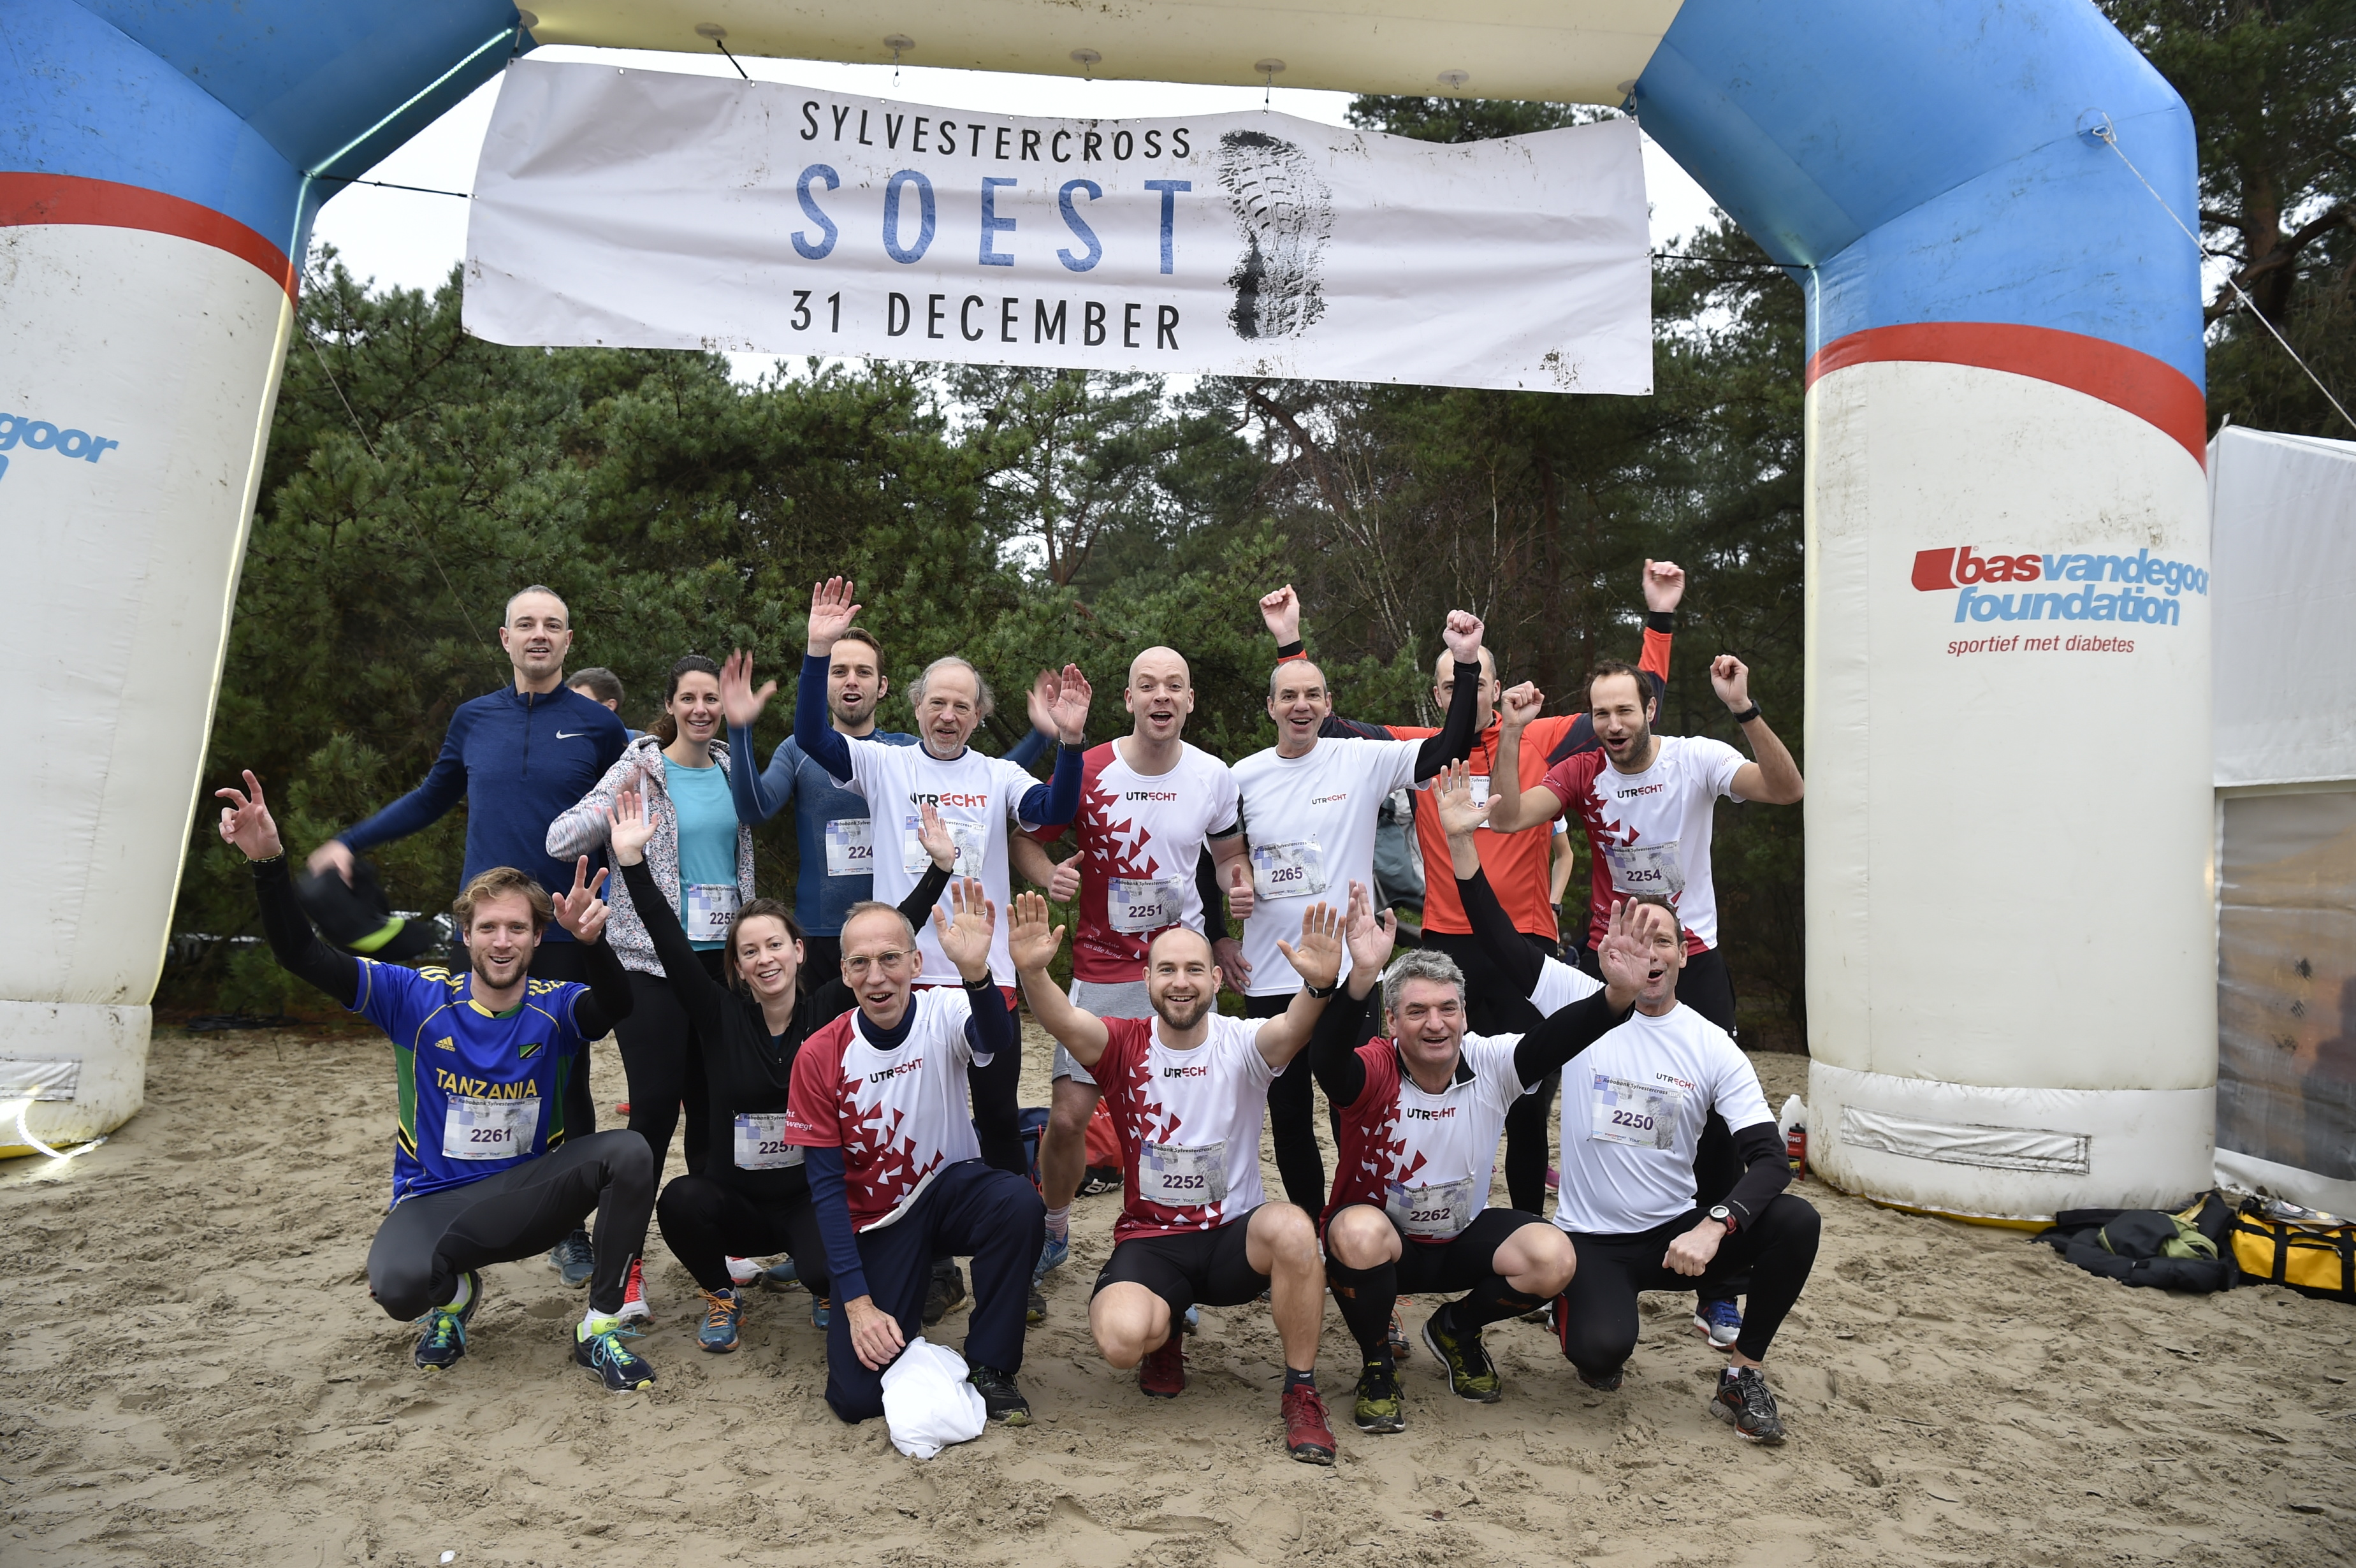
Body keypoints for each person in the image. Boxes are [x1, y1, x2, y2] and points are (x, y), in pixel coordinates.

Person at [1258, 562, 1683, 1216]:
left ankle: (1525, 1227)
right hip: (1446, 946)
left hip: (1525, 949)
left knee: (1528, 1107)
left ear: (1497, 687)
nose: (1471, 692)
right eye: (1457, 684)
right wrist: (1289, 640)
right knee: (1437, 1093)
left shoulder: (1541, 735)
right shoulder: (1420, 750)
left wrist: (1659, 620)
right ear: (1441, 696)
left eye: (1480, 680)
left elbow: (1637, 703)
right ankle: (1439, 1217)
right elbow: (1322, 720)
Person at [217, 770, 658, 1391]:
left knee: (630, 1151)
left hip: (530, 1195)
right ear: (466, 935)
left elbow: (615, 1005)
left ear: (538, 937)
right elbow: (301, 955)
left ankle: (601, 1327)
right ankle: (454, 1299)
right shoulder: (414, 998)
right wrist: (268, 864)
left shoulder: (555, 1006)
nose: (502, 942)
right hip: (436, 1200)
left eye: (517, 929)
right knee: (399, 1290)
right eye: (488, 928)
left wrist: (592, 945)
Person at [310, 585, 630, 1289]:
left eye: (552, 625)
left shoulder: (599, 727)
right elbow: (432, 797)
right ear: (505, 638)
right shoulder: (474, 718)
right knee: (467, 1073)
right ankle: (454, 1211)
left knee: (567, 1077)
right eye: (526, 624)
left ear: (568, 641)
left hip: (562, 927)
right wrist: (350, 841)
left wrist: (612, 914)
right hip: (485, 929)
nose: (539, 634)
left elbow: (624, 820)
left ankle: (568, 1228)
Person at [1487, 648, 1804, 1347]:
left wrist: (1744, 709)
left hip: (1695, 956)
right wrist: (1510, 733)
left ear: (1650, 710)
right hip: (1613, 964)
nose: (1612, 724)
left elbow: (1787, 789)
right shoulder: (1583, 772)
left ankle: (1716, 1289)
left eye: (1625, 710)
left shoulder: (1696, 759)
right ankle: (1583, 1260)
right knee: (1599, 1106)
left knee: (1716, 1126)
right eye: (1601, 713)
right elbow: (1507, 818)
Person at [1311, 786, 1648, 1434]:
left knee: (1554, 1256)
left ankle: (1457, 1329)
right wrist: (1360, 979)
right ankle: (1377, 1361)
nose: (1435, 1024)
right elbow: (1328, 1062)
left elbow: (1556, 1038)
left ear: (1465, 1016)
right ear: (1392, 1022)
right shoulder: (1375, 1067)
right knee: (1356, 1234)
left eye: (1448, 1009)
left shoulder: (1490, 1061)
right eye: (1416, 1011)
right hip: (1384, 1243)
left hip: (1461, 1237)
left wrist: (1616, 998)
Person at [611, 783, 963, 1352]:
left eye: (774, 945)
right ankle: (722, 1295)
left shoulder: (827, 1009)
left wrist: (939, 870)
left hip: (808, 1200)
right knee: (678, 1201)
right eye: (749, 952)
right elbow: (668, 938)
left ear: (799, 951)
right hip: (735, 1202)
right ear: (737, 966)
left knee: (827, 1272)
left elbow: (892, 935)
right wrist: (632, 862)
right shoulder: (717, 1015)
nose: (764, 959)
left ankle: (816, 1283)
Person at [1010, 889, 1346, 1465]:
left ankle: (1301, 1391)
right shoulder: (1122, 1043)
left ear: (1215, 979)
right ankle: (1162, 1335)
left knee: (1295, 1228)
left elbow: (1292, 1028)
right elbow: (1064, 1020)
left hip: (1232, 1241)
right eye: (1166, 969)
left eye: (1194, 969)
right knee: (1120, 1342)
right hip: (1152, 1242)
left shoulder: (1242, 1044)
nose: (1181, 982)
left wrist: (1318, 988)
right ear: (1146, 980)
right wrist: (1033, 972)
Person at [790, 577, 1086, 1187]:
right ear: (917, 707)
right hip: (906, 974)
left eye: (962, 707)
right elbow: (813, 737)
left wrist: (1072, 742)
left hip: (986, 974)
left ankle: (1015, 1228)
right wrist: (817, 651)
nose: (948, 716)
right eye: (937, 704)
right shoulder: (883, 763)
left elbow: (1055, 810)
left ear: (978, 716)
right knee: (913, 1117)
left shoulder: (999, 775)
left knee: (998, 1117)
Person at [1230, 608, 1486, 1211]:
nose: (1300, 706)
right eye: (1288, 696)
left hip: (1352, 971)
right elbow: (1213, 856)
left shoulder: (1362, 758)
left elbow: (1450, 747)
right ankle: (1309, 1229)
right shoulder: (1240, 777)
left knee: (1356, 1106)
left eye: (1312, 696)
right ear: (1270, 708)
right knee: (1288, 1113)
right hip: (1271, 971)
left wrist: (1466, 664)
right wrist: (1220, 932)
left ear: (1328, 705)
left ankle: (1354, 1222)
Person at [1543, 894, 1820, 1444]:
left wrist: (1716, 1224)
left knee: (1797, 1222)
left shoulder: (1710, 1043)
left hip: (1674, 1237)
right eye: (1638, 941)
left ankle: (1742, 1376)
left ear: (1685, 954)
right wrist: (1463, 855)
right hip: (1593, 1240)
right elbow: (1498, 944)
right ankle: (1573, 1306)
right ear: (1613, 949)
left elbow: (1772, 1160)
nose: (1650, 954)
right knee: (1600, 1357)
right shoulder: (1578, 1004)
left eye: (1663, 941)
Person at [1025, 646, 1253, 1298]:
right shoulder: (1090, 767)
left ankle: (1175, 1248)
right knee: (1069, 1118)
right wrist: (1050, 874)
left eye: (1174, 686)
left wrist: (1236, 890)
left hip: (1181, 973)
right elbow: (1027, 836)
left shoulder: (1213, 776)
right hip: (1103, 969)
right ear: (1129, 700)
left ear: (1189, 701)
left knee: (1178, 1123)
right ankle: (1055, 1227)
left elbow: (1227, 856)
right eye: (1148, 685)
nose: (1162, 696)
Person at [782, 883, 1045, 1426]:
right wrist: (857, 1304)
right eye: (860, 963)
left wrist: (977, 974)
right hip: (878, 1220)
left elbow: (994, 1039)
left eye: (890, 959)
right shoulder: (819, 1054)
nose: (877, 976)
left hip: (948, 1191)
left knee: (1018, 1201)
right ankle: (906, 1312)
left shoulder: (943, 1009)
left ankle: (992, 1365)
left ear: (916, 962)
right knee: (857, 1400)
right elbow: (826, 1190)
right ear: (844, 972)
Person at [546, 658, 755, 1304]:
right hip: (651, 969)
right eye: (689, 698)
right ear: (670, 704)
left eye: (711, 699)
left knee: (715, 1113)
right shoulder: (638, 768)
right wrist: (611, 824)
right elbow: (559, 839)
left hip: (722, 969)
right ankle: (625, 1266)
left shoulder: (733, 770)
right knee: (654, 1116)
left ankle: (717, 1247)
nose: (701, 709)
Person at [717, 632, 1054, 983]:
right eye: (839, 671)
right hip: (822, 932)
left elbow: (983, 781)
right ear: (824, 684)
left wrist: (1042, 736)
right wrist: (739, 730)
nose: (851, 680)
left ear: (882, 686)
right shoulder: (799, 751)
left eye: (863, 672)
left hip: (893, 935)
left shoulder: (903, 753)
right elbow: (754, 810)